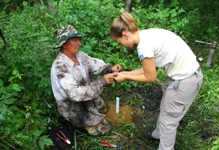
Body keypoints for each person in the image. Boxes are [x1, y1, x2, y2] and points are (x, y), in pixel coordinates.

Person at [109, 12, 203, 150]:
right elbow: (148, 69)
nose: (121, 45)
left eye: (119, 42)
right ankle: (159, 134)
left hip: (185, 81)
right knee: (166, 108)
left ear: (124, 35)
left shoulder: (143, 46)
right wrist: (125, 73)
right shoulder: (148, 34)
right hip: (182, 75)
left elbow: (150, 77)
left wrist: (126, 77)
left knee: (169, 121)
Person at [51, 24, 122, 136]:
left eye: (79, 40)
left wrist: (109, 68)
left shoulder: (80, 56)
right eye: (75, 40)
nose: (79, 43)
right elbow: (75, 95)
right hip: (74, 107)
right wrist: (102, 82)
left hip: (89, 97)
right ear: (64, 44)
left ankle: (95, 108)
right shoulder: (60, 67)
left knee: (102, 109)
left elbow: (94, 64)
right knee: (104, 129)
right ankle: (81, 122)